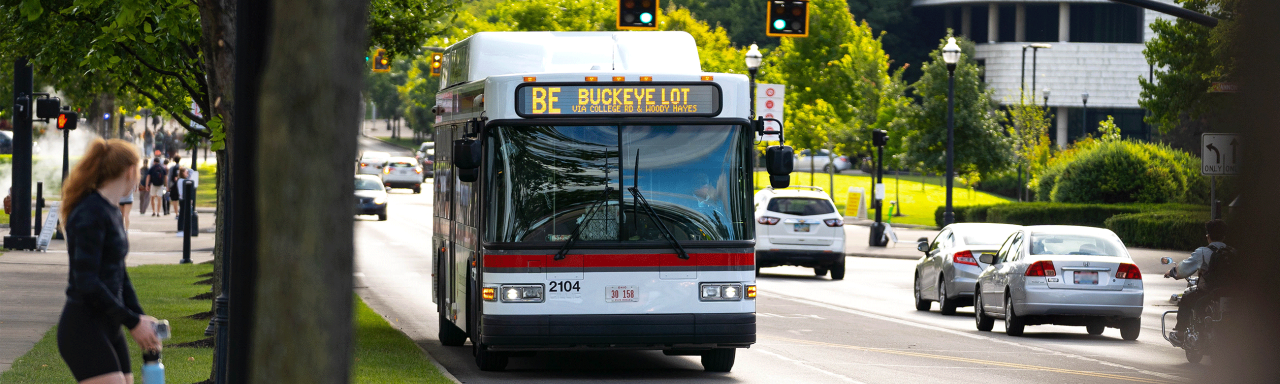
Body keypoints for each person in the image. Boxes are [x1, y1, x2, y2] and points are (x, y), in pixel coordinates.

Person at [56, 138, 162, 384]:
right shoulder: (89, 212)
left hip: (109, 323)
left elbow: (118, 273)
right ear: (130, 171)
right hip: (83, 326)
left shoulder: (112, 211)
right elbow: (86, 282)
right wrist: (133, 322)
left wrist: (140, 317)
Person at [1165, 219, 1229, 345]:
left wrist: (1171, 272)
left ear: (1208, 236)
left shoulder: (1203, 252)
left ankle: (1180, 333)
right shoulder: (1232, 252)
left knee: (1187, 298)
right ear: (1224, 236)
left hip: (1209, 293)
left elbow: (1182, 270)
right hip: (1230, 293)